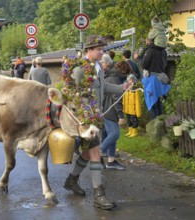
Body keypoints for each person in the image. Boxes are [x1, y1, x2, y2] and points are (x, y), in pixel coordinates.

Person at [63, 35, 131, 210]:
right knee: (94, 154)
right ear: (89, 50)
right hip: (85, 121)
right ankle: (99, 195)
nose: (102, 52)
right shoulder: (79, 70)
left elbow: (104, 87)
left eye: (103, 49)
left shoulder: (98, 68)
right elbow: (71, 95)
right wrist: (83, 119)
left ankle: (71, 180)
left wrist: (122, 88)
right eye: (99, 49)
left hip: (96, 116)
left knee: (87, 153)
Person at [100, 55, 128, 170]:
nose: (100, 66)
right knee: (114, 134)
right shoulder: (112, 77)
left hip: (104, 109)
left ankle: (110, 161)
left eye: (101, 63)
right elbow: (117, 98)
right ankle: (98, 153)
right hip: (108, 110)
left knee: (107, 134)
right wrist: (120, 116)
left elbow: (116, 96)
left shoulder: (110, 76)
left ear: (106, 64)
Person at [141, 38, 170, 120]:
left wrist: (140, 57)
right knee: (158, 103)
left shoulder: (150, 50)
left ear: (150, 41)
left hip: (152, 80)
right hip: (160, 79)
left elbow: (144, 65)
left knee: (152, 104)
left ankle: (155, 127)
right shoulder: (163, 51)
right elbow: (165, 64)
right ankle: (161, 124)